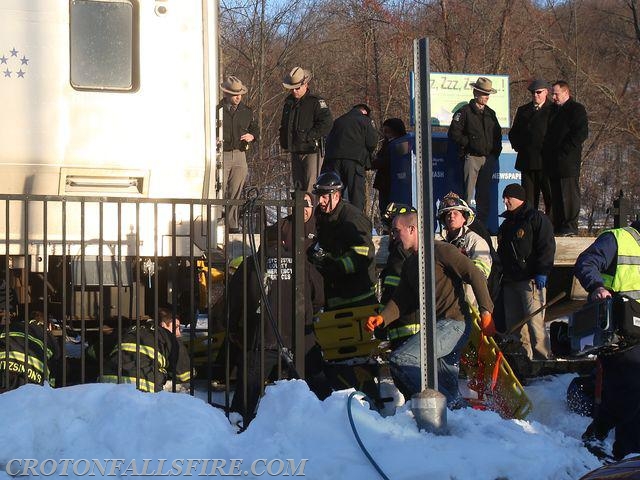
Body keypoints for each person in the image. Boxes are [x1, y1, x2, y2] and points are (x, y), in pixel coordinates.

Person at [365, 210, 495, 406]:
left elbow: (474, 274)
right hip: (440, 326)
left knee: (402, 359)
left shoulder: (441, 251)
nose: (394, 235)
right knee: (446, 386)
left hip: (454, 324)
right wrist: (382, 318)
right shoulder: (410, 263)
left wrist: (486, 311)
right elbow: (401, 300)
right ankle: (457, 417)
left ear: (412, 229)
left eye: (396, 230)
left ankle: (434, 406)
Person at [228, 193, 328, 422]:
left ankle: (237, 427)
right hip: (299, 338)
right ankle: (322, 424)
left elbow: (236, 300)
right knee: (315, 389)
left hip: (263, 338)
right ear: (285, 241)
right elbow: (319, 296)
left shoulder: (252, 264)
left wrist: (236, 329)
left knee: (246, 395)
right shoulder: (302, 262)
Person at [575, 220, 640, 460]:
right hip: (620, 333)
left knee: (631, 395)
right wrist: (597, 287)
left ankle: (618, 447)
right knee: (632, 390)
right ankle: (618, 447)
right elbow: (586, 262)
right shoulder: (618, 239)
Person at [497, 183, 555, 360]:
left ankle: (543, 360)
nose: (505, 201)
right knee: (515, 327)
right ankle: (522, 361)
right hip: (510, 281)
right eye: (504, 198)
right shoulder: (506, 224)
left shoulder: (536, 218)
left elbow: (547, 246)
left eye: (509, 197)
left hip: (531, 281)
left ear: (519, 198)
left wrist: (542, 271)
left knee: (535, 324)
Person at [308, 172, 376, 310]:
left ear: (337, 196)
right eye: (319, 196)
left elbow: (364, 254)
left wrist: (337, 267)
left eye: (324, 197)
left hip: (357, 299)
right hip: (334, 299)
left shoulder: (353, 218)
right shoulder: (321, 216)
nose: (320, 201)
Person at [448, 77, 502, 224]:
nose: (487, 97)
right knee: (467, 194)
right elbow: (454, 134)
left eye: (488, 94)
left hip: (488, 158)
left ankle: (481, 224)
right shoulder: (464, 112)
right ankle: (465, 224)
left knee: (484, 194)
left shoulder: (491, 113)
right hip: (471, 157)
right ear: (475, 93)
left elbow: (497, 135)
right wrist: (469, 144)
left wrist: (495, 153)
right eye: (484, 93)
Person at [101, 307, 191, 393]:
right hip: (144, 386)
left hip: (107, 385)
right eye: (176, 327)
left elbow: (94, 351)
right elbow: (184, 375)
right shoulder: (169, 337)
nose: (179, 333)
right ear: (163, 324)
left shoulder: (129, 330)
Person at [542, 80, 588, 236]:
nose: (553, 97)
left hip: (568, 161)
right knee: (556, 196)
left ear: (566, 93)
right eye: (552, 93)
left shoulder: (576, 109)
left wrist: (565, 149)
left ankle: (570, 226)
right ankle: (558, 225)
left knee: (568, 195)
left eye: (556, 94)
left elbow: (581, 133)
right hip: (552, 161)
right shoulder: (553, 111)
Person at [279, 67, 333, 193]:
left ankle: (313, 213)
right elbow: (284, 124)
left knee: (311, 188)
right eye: (292, 88)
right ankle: (299, 213)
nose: (294, 91)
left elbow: (326, 123)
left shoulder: (316, 102)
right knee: (298, 188)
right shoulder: (288, 102)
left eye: (297, 88)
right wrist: (284, 141)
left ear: (305, 85)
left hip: (312, 151)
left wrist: (308, 136)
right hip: (295, 150)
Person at [219, 76, 258, 233]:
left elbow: (256, 129)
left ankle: (232, 225)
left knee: (236, 191)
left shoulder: (247, 111)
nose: (238, 97)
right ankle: (216, 223)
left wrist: (251, 136)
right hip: (221, 154)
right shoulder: (217, 110)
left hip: (240, 154)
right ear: (227, 94)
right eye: (235, 94)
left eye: (240, 94)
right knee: (218, 190)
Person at [508, 78, 552, 216]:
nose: (535, 95)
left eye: (539, 92)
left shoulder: (553, 110)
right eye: (533, 92)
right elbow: (513, 133)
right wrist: (520, 147)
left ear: (546, 92)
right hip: (527, 160)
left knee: (549, 195)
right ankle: (529, 222)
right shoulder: (523, 110)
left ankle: (552, 225)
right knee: (528, 197)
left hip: (546, 161)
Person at [323, 104, 379, 211]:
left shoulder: (339, 121)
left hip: (334, 161)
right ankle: (355, 221)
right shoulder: (364, 120)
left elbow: (328, 141)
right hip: (354, 161)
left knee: (335, 191)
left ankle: (334, 215)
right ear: (364, 112)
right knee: (356, 194)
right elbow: (372, 141)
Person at [378, 203, 418, 348]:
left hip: (405, 325)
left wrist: (382, 319)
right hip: (409, 324)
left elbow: (392, 288)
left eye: (394, 229)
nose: (391, 234)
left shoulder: (400, 250)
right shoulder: (408, 250)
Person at [437, 192, 492, 280]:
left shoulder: (476, 241)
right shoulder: (435, 241)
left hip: (467, 291)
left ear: (464, 218)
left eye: (456, 213)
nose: (451, 216)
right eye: (448, 214)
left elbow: (481, 273)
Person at [0, 312, 60, 390]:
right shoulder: (45, 334)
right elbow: (57, 355)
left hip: (4, 372)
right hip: (33, 382)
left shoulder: (7, 329)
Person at [372, 118, 407, 221]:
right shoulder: (388, 143)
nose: (386, 134)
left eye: (388, 131)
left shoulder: (401, 143)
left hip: (393, 181)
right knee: (384, 208)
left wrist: (372, 163)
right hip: (385, 182)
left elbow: (389, 160)